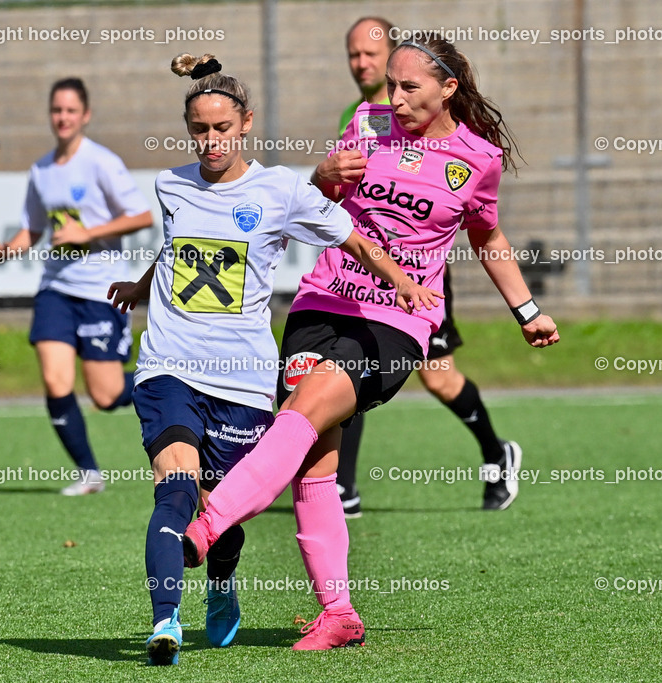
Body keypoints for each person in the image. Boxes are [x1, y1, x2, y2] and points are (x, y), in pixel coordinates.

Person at [182, 33, 560, 651]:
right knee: (313, 457)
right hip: (322, 300)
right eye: (391, 83)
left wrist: (527, 310)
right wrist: (323, 174)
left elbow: (487, 238)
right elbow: (318, 204)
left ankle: (212, 520)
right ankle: (338, 614)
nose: (395, 96)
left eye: (410, 86)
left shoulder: (477, 158)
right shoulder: (367, 121)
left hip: (397, 320)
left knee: (302, 411)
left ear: (448, 89)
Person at [107, 53, 438, 666]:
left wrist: (403, 283)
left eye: (220, 129)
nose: (210, 141)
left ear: (246, 124)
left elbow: (354, 238)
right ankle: (166, 623)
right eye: (199, 130)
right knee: (175, 490)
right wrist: (141, 283)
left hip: (242, 375)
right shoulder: (170, 184)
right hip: (167, 364)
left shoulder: (282, 190)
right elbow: (181, 247)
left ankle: (223, 581)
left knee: (222, 503)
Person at [333, 17, 522, 517]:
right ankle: (342, 487)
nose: (363, 64)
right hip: (360, 273)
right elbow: (334, 196)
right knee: (347, 366)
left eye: (372, 54)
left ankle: (495, 452)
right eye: (354, 55)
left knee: (438, 378)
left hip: (421, 276)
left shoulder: (453, 131)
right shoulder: (364, 117)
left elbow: (477, 219)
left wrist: (526, 310)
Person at [0, 77, 153, 496]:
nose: (63, 118)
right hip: (56, 288)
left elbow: (140, 216)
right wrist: (8, 249)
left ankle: (171, 373)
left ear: (85, 115)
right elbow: (34, 229)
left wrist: (88, 232)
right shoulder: (41, 171)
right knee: (55, 380)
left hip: (102, 289)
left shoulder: (101, 162)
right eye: (57, 110)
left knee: (106, 394)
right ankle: (89, 473)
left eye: (70, 111)